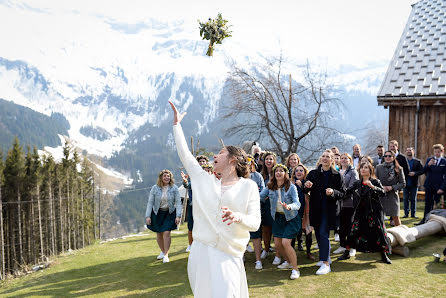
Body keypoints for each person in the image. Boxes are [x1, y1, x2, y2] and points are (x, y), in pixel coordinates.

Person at [170, 101, 261, 298]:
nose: (214, 156)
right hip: (200, 251)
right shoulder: (203, 180)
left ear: (233, 160)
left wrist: (237, 217)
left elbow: (255, 223)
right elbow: (185, 156)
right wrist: (177, 126)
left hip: (228, 253)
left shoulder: (249, 186)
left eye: (220, 153)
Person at [337, 162, 392, 264]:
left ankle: (384, 255)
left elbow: (383, 193)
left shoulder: (375, 181)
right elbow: (346, 192)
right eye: (361, 168)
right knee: (353, 231)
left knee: (379, 233)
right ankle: (347, 252)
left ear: (370, 170)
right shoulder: (357, 183)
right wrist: (334, 190)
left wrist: (373, 187)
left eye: (366, 168)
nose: (363, 169)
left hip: (374, 212)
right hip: (360, 211)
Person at [304, 150, 345, 275]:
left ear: (332, 160)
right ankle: (325, 258)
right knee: (319, 234)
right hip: (316, 209)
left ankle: (326, 263)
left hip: (329, 210)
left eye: (328, 157)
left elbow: (342, 193)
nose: (325, 158)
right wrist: (306, 185)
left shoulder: (337, 175)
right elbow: (304, 190)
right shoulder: (313, 174)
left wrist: (333, 192)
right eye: (323, 156)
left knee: (323, 233)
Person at [260, 164, 301, 280]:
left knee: (286, 243)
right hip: (277, 218)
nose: (278, 173)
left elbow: (297, 203)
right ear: (273, 174)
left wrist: (289, 206)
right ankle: (288, 261)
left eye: (281, 171)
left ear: (285, 174)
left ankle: (295, 269)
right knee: (277, 244)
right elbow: (260, 197)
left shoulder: (291, 187)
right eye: (276, 171)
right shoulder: (269, 187)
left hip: (291, 218)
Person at [145, 169, 182, 263]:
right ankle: (162, 251)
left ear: (170, 178)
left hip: (169, 213)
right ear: (161, 178)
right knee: (159, 233)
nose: (167, 177)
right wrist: (148, 216)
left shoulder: (174, 188)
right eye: (165, 176)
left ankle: (166, 255)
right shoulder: (155, 188)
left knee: (166, 233)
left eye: (168, 176)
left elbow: (178, 203)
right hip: (158, 213)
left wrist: (178, 216)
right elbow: (150, 202)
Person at [182, 156, 211, 252]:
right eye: (200, 161)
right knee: (191, 225)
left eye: (204, 161)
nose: (202, 163)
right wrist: (185, 181)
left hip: (206, 204)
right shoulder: (192, 175)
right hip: (193, 204)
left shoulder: (210, 175)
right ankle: (191, 244)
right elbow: (188, 186)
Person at [412, 144, 446, 225]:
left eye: (438, 152)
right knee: (428, 204)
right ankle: (424, 220)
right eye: (435, 152)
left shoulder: (444, 162)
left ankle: (437, 222)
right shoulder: (429, 160)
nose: (436, 153)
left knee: (437, 205)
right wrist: (428, 165)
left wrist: (442, 188)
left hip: (439, 188)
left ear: (442, 151)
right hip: (429, 186)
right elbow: (423, 171)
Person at [334, 153, 359, 256]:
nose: (343, 160)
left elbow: (355, 185)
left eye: (346, 158)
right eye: (342, 158)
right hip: (339, 203)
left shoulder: (353, 172)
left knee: (350, 226)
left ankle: (353, 247)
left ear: (350, 160)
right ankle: (342, 245)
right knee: (341, 226)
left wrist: (343, 193)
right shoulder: (337, 171)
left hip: (349, 203)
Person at [375, 151, 406, 227]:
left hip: (393, 196)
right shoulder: (378, 167)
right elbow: (375, 181)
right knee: (379, 217)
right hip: (381, 195)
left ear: (393, 157)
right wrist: (381, 187)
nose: (387, 158)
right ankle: (381, 235)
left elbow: (403, 184)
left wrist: (392, 187)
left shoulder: (399, 168)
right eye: (385, 156)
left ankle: (400, 234)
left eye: (389, 156)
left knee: (395, 216)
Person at [246, 154, 265, 270]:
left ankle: (258, 260)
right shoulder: (238, 176)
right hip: (241, 209)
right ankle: (240, 257)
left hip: (254, 209)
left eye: (249, 163)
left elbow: (262, 191)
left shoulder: (257, 176)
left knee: (256, 235)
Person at [292, 164, 314, 260]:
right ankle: (291, 253)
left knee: (308, 233)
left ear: (305, 172)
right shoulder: (291, 183)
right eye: (297, 171)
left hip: (306, 211)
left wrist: (302, 186)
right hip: (295, 211)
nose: (299, 172)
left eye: (301, 170)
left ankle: (309, 252)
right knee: (293, 234)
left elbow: (309, 194)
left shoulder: (308, 183)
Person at [260, 151, 277, 261]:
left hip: (276, 205)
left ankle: (278, 253)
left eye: (271, 159)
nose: (269, 161)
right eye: (267, 159)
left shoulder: (279, 172)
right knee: (266, 229)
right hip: (265, 205)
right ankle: (266, 249)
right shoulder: (261, 175)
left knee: (276, 230)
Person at [403, 147, 423, 218]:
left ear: (413, 152)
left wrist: (415, 173)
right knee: (405, 199)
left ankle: (413, 214)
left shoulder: (417, 161)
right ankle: (406, 214)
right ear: (405, 152)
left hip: (414, 184)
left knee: (413, 199)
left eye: (410, 150)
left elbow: (422, 171)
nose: (409, 151)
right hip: (405, 184)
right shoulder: (404, 162)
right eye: (407, 150)